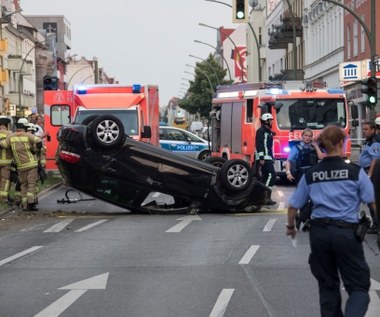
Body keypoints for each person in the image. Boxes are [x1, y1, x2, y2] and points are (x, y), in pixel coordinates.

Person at [286, 125, 375, 317]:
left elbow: (294, 206)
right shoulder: (354, 172)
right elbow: (371, 201)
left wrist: (291, 227)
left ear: (322, 146)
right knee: (359, 287)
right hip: (347, 234)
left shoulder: (312, 174)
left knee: (328, 288)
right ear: (341, 143)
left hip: (319, 235)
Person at [285, 128, 325, 230]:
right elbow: (289, 160)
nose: (307, 138)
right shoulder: (297, 148)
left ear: (312, 137)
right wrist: (288, 173)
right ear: (302, 137)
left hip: (313, 174)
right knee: (303, 198)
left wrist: (316, 146)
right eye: (305, 136)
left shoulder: (314, 147)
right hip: (301, 174)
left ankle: (302, 217)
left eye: (309, 136)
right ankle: (306, 220)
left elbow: (321, 157)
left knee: (314, 197)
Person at [0, 118, 42, 211]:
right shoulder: (28, 135)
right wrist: (34, 150)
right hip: (31, 164)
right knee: (31, 183)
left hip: (21, 166)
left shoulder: (11, 137)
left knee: (23, 185)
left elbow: (2, 145)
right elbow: (39, 141)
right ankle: (30, 203)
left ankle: (24, 205)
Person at [359, 121, 380, 233]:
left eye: (366, 129)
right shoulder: (370, 140)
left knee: (372, 200)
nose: (364, 131)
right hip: (366, 171)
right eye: (363, 129)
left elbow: (375, 159)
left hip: (372, 173)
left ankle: (377, 225)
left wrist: (369, 175)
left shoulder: (375, 141)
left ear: (373, 130)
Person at [255, 113, 276, 205]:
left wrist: (272, 157)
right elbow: (259, 144)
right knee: (271, 175)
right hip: (264, 158)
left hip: (268, 157)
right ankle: (265, 196)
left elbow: (269, 146)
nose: (272, 121)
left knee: (265, 177)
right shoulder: (261, 131)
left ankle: (265, 197)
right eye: (270, 120)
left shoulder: (268, 131)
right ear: (266, 121)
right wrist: (261, 157)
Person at [0, 116, 13, 204]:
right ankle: (3, 198)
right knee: (5, 180)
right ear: (6, 125)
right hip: (6, 161)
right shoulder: (10, 134)